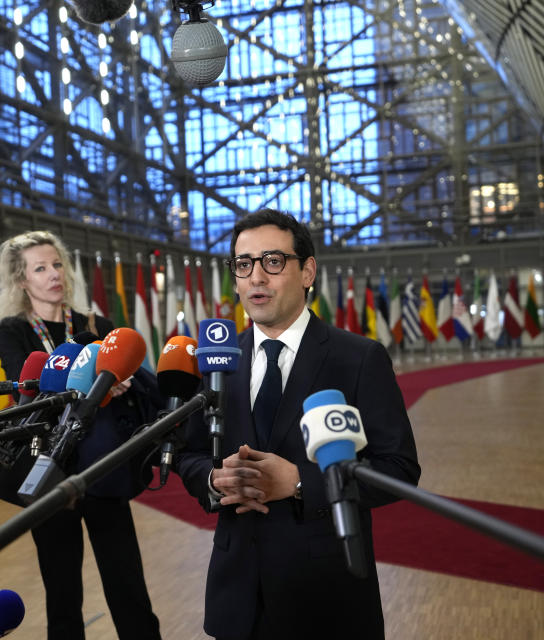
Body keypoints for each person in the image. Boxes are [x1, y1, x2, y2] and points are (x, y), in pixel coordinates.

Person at [176, 209, 421, 639]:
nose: (256, 277)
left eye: (273, 262)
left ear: (307, 271)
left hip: (327, 597)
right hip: (239, 598)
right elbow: (187, 454)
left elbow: (398, 470)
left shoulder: (359, 359)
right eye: (244, 264)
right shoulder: (216, 362)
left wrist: (301, 482)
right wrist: (216, 480)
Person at [0, 230, 162, 640]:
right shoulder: (12, 330)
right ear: (21, 279)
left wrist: (121, 381)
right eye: (41, 268)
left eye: (58, 264)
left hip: (103, 465)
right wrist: (93, 378)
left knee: (128, 585)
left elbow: (126, 374)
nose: (53, 274)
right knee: (62, 592)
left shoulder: (96, 323)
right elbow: (24, 382)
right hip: (49, 468)